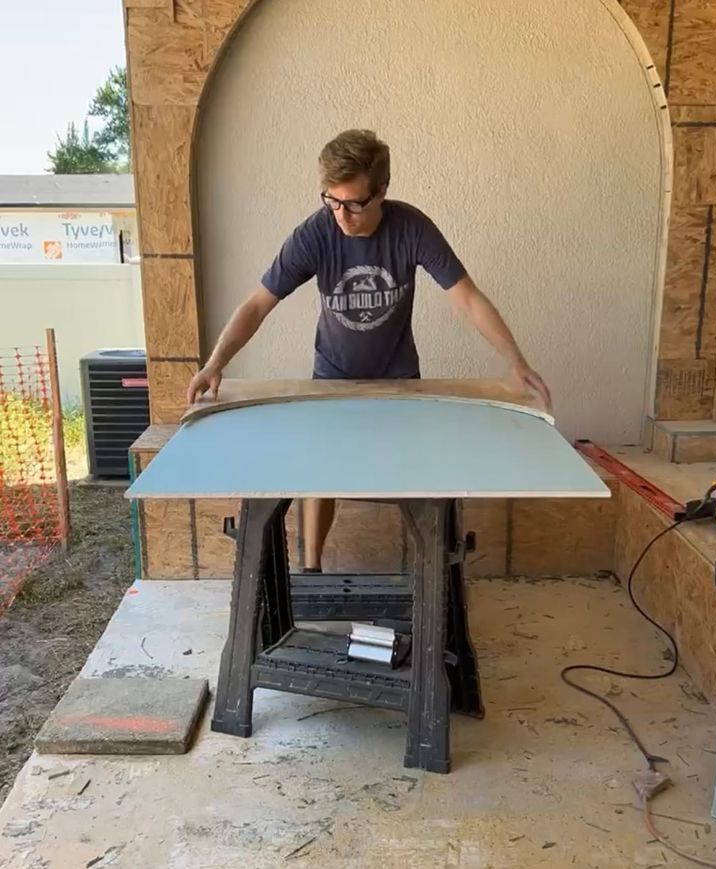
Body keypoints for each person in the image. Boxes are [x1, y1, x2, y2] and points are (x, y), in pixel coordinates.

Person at [187, 129, 551, 572]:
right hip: (332, 381)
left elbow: (467, 297)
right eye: (332, 200)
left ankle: (428, 575)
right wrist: (214, 364)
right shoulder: (315, 233)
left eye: (355, 203)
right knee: (319, 476)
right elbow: (258, 304)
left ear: (382, 191)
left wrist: (516, 361)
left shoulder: (411, 227)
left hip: (399, 382)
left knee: (414, 480)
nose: (343, 215)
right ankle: (312, 571)